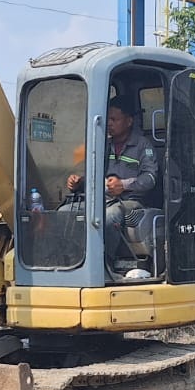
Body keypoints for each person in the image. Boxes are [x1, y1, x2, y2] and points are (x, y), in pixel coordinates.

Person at [66, 96, 159, 269]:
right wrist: (78, 182)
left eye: (114, 119)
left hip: (130, 202)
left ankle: (102, 266)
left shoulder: (142, 146)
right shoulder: (103, 145)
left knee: (108, 218)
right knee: (64, 212)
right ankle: (70, 261)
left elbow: (150, 178)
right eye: (107, 119)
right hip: (102, 199)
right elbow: (94, 176)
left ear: (129, 121)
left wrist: (123, 185)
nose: (109, 123)